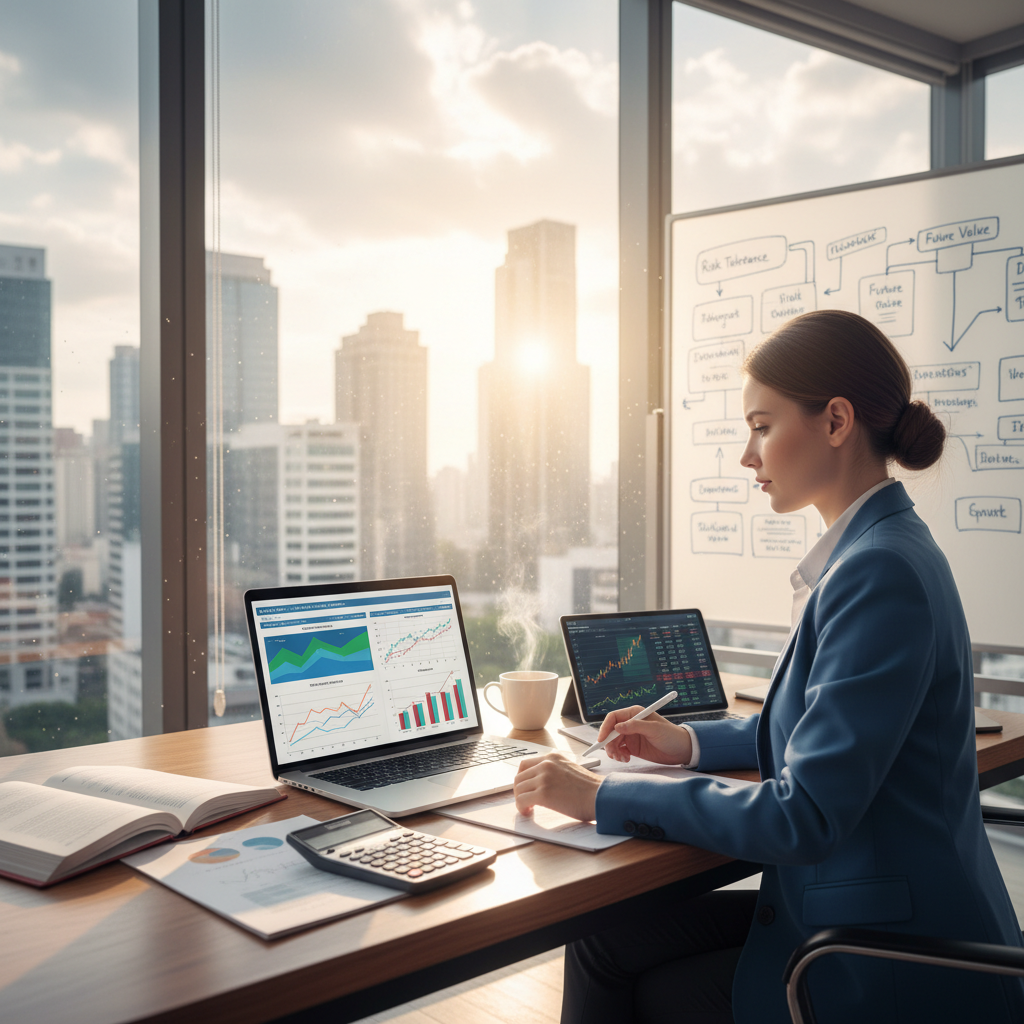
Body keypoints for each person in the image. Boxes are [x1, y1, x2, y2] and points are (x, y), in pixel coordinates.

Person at [513, 309, 1024, 1024]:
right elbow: (817, 732)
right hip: (859, 902)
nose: (747, 456)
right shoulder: (879, 550)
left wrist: (599, 796)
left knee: (657, 996)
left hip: (888, 954)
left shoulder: (879, 573)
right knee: (603, 943)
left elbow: (804, 815)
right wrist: (687, 743)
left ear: (836, 421)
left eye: (761, 425)